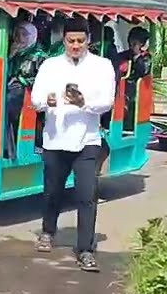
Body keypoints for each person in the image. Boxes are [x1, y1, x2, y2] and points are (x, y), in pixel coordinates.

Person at [30, 18, 116, 272]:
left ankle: (86, 249)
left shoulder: (102, 66)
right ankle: (48, 231)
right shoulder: (50, 66)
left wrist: (83, 102)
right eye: (71, 41)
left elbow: (107, 102)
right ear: (64, 41)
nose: (75, 45)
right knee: (52, 191)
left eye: (80, 41)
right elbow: (35, 99)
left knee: (86, 195)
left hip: (87, 140)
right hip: (55, 139)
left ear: (88, 40)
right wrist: (49, 101)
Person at [5, 21, 44, 158]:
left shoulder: (38, 55)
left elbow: (41, 80)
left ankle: (8, 150)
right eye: (17, 34)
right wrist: (10, 55)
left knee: (5, 106)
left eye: (23, 34)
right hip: (11, 88)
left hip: (26, 92)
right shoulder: (14, 51)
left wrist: (20, 80)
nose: (19, 38)